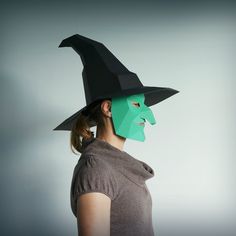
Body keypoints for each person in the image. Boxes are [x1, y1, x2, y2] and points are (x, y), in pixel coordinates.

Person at [53, 34, 179, 236]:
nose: (148, 116)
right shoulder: (96, 169)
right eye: (137, 104)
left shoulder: (114, 166)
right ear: (108, 108)